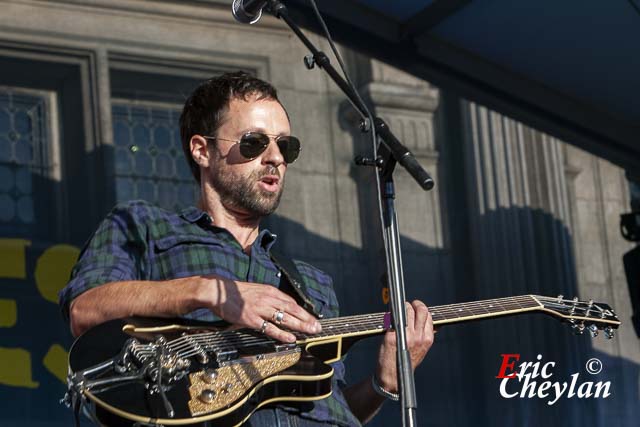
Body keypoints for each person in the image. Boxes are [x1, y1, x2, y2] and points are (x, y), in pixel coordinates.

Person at [59, 71, 434, 426]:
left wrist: (382, 386)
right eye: (254, 143)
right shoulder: (145, 226)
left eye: (285, 146)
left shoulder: (314, 284)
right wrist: (210, 291)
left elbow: (322, 407)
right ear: (202, 150)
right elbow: (85, 309)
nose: (275, 158)